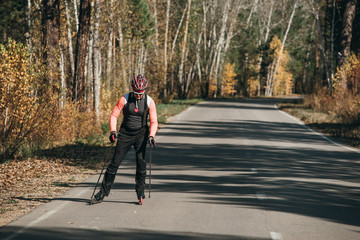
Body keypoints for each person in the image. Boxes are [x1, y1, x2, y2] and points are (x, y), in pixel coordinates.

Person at [93, 74, 158, 204]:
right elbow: (114, 115)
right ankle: (103, 193)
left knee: (141, 163)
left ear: (144, 91)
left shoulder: (149, 101)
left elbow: (154, 121)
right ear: (132, 90)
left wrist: (151, 136)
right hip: (125, 134)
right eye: (136, 93)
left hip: (141, 134)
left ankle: (140, 191)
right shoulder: (125, 99)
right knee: (114, 163)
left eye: (141, 93)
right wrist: (113, 131)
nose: (138, 96)